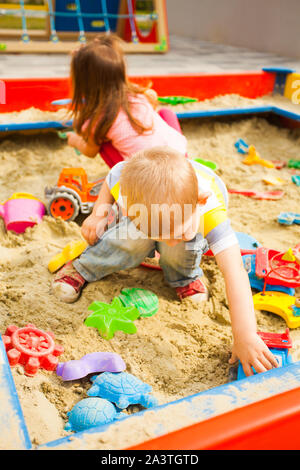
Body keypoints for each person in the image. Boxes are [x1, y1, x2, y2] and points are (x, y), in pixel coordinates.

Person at [52, 146, 279, 377]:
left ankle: (183, 275)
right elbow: (113, 177)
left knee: (185, 244)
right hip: (153, 209)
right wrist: (99, 214)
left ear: (200, 202)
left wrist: (246, 336)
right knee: (130, 237)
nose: (167, 242)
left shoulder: (210, 212)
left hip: (193, 214)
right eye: (161, 237)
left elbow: (235, 273)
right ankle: (86, 267)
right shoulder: (127, 185)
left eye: (176, 232)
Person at [66, 34, 187, 167]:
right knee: (165, 113)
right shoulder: (139, 95)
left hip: (148, 177)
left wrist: (75, 140)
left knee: (102, 141)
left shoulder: (100, 120)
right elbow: (152, 96)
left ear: (82, 84)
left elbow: (90, 152)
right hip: (181, 161)